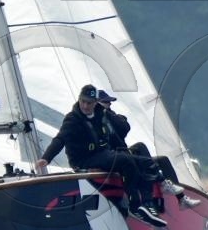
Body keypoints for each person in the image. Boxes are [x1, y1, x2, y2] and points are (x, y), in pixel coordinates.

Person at [33, 85, 187, 222]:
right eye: (83, 101)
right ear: (79, 99)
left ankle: (148, 202)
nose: (85, 105)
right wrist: (46, 158)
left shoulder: (100, 114)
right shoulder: (73, 119)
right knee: (125, 161)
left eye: (89, 102)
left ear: (95, 102)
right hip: (84, 160)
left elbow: (123, 128)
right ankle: (134, 206)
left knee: (144, 161)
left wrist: (107, 111)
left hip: (102, 154)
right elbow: (60, 139)